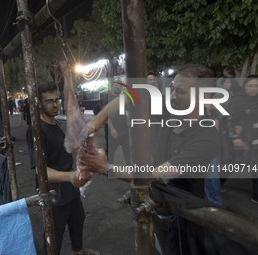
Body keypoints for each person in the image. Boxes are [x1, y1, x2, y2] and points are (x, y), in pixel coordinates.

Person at [81, 65, 228, 255]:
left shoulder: (208, 138)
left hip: (182, 217)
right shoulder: (170, 108)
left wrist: (105, 167)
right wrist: (95, 123)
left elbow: (157, 175)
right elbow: (129, 98)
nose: (173, 96)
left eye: (180, 91)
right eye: (172, 89)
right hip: (155, 207)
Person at [26, 82, 99, 255]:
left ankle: (78, 252)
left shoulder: (54, 123)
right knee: (54, 235)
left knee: (77, 220)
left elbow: (60, 148)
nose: (55, 105)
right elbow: (41, 171)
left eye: (56, 100)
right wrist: (72, 176)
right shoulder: (37, 130)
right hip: (53, 191)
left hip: (69, 187)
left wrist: (79, 146)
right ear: (38, 103)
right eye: (49, 101)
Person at [223, 75, 258, 203]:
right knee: (232, 165)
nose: (253, 89)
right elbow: (228, 120)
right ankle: (217, 184)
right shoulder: (237, 101)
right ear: (244, 86)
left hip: (255, 143)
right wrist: (234, 136)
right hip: (240, 142)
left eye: (256, 86)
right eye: (250, 86)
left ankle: (256, 195)